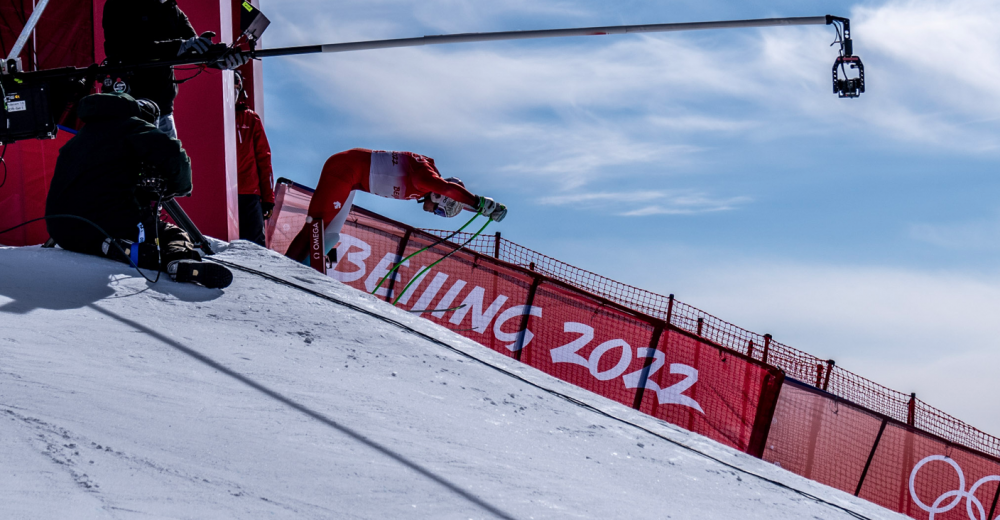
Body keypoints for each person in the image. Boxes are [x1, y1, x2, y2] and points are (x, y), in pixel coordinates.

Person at [45, 93, 233, 289]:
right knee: (170, 234)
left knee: (98, 230)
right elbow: (173, 152)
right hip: (106, 221)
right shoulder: (130, 126)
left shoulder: (79, 139)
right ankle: (179, 260)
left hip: (61, 230)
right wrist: (179, 186)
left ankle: (117, 247)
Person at [284, 149, 508, 264]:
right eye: (440, 210)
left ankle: (301, 266)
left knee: (329, 234)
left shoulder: (428, 186)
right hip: (344, 172)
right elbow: (449, 189)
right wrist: (479, 203)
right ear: (439, 197)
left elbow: (452, 193)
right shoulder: (425, 179)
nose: (435, 213)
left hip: (350, 180)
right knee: (316, 225)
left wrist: (482, 210)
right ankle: (288, 267)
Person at [103, 0, 247, 139]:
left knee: (171, 156)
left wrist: (222, 60)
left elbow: (195, 50)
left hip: (163, 110)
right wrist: (180, 46)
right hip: (129, 108)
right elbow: (128, 49)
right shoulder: (119, 5)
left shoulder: (172, 9)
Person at [234, 71, 274, 247]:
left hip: (249, 193)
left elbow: (264, 159)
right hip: (221, 192)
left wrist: (268, 199)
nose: (233, 93)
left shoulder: (250, 118)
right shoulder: (212, 115)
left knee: (254, 247)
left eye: (237, 88)